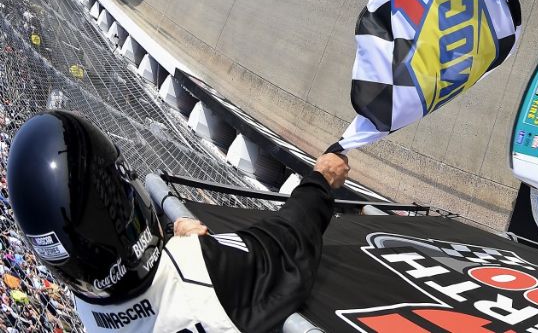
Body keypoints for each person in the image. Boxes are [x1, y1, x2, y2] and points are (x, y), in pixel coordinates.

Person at [4, 111, 349, 332]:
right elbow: (285, 243)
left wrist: (171, 236)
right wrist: (320, 181)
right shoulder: (197, 270)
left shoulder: (88, 311)